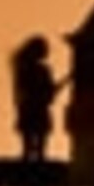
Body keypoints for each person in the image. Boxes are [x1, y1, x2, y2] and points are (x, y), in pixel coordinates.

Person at [10, 34, 59, 167]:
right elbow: (47, 92)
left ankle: (28, 167)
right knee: (39, 144)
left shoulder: (22, 68)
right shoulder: (41, 70)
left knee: (29, 145)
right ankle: (37, 168)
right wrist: (50, 91)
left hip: (28, 108)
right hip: (36, 109)